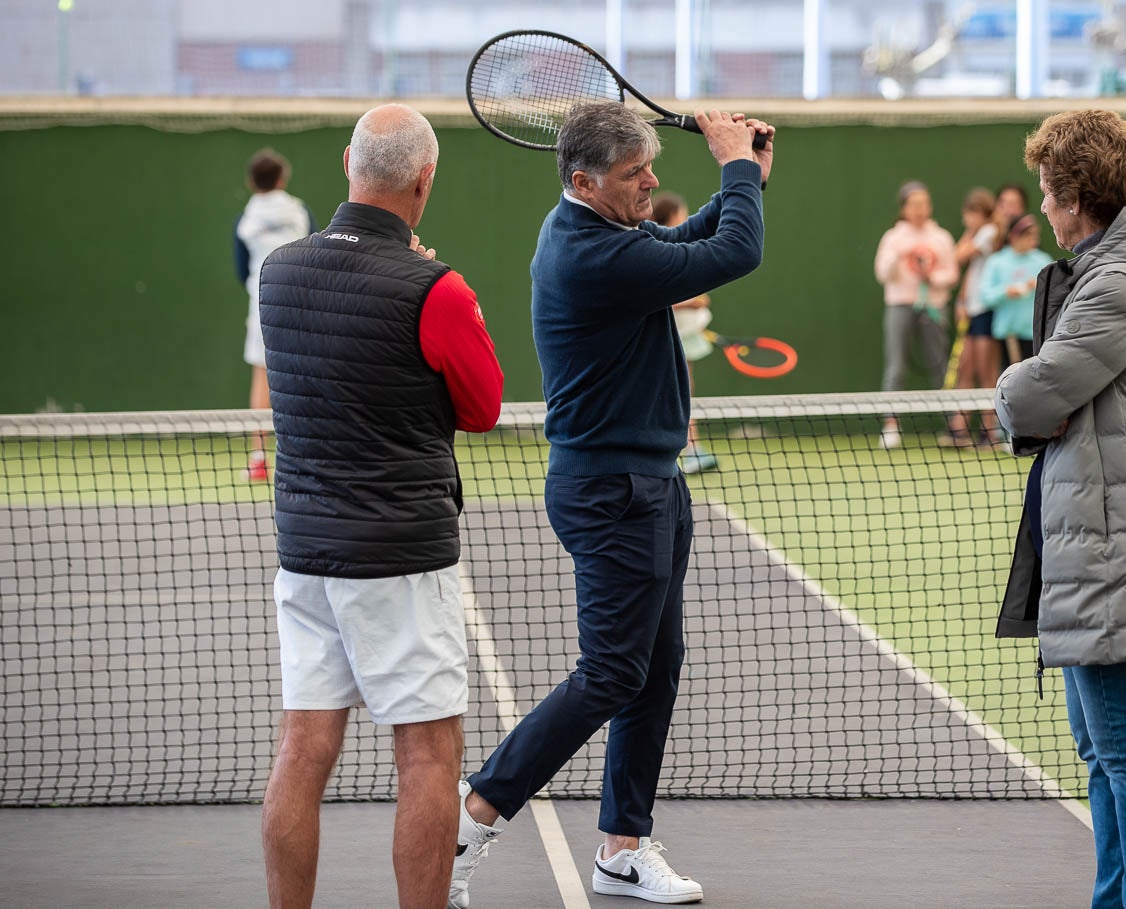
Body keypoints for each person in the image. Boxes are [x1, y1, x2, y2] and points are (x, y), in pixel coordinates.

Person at [450, 101, 772, 907]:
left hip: (652, 483)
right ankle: (470, 818)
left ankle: (621, 849)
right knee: (611, 672)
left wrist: (749, 175)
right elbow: (735, 250)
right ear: (585, 181)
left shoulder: (608, 234)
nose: (653, 182)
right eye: (637, 174)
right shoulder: (593, 256)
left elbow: (688, 238)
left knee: (654, 671)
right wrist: (733, 168)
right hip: (609, 492)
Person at [257, 103, 504, 909]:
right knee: (430, 756)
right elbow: (482, 405)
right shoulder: (437, 288)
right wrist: (436, 291)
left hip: (305, 553)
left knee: (303, 747)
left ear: (346, 163)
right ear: (425, 178)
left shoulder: (280, 270)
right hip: (400, 556)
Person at [994, 109, 1126, 909]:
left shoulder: (1116, 284)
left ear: (1077, 197)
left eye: (1047, 194)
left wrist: (1015, 394)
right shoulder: (1114, 272)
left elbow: (1031, 393)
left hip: (1115, 543)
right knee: (1099, 749)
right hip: (1092, 534)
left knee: (1122, 750)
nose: (1042, 210)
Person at [234, 148, 317, 482]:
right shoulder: (300, 212)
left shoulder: (246, 219)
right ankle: (308, 457)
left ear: (251, 182)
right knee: (308, 377)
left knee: (261, 377)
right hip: (303, 302)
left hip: (262, 302)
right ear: (282, 179)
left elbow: (241, 269)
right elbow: (314, 252)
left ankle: (258, 459)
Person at [873, 181, 959, 449]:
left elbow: (952, 274)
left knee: (939, 366)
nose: (921, 209)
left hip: (933, 306)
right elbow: (882, 274)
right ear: (904, 208)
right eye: (915, 204)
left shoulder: (941, 237)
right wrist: (898, 255)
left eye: (925, 203)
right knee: (896, 366)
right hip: (900, 305)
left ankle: (954, 426)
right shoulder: (893, 238)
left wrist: (932, 278)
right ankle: (890, 425)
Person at [652, 191, 717, 475]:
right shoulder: (656, 249)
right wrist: (692, 301)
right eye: (682, 213)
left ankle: (691, 449)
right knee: (672, 395)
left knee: (684, 393)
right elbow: (658, 297)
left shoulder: (677, 248)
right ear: (669, 217)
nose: (686, 218)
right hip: (662, 338)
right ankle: (684, 450)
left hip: (682, 336)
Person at [944, 187, 1002, 446]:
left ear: (983, 214)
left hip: (987, 310)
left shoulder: (988, 233)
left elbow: (958, 255)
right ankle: (960, 428)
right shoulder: (980, 234)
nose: (967, 219)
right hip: (970, 309)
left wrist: (970, 232)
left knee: (985, 371)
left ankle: (989, 431)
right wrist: (961, 301)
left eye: (972, 214)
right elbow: (969, 272)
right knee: (965, 366)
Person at [980, 213, 1051, 366]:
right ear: (1014, 236)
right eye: (1027, 235)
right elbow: (986, 295)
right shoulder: (997, 261)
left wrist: (1040, 286)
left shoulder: (1043, 260)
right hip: (1009, 332)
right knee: (1012, 376)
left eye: (1033, 234)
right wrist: (1006, 292)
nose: (1031, 239)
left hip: (1036, 333)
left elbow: (1055, 292)